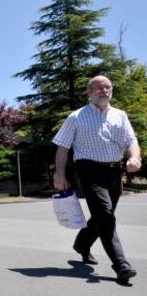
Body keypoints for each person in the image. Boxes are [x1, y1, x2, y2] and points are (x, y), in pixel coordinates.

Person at [52, 75, 142, 283]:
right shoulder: (76, 117)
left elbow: (131, 140)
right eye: (99, 88)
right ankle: (121, 265)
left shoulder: (120, 115)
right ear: (89, 92)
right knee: (105, 215)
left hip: (114, 171)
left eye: (108, 87)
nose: (104, 91)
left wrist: (135, 157)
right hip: (89, 170)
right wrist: (59, 174)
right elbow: (63, 148)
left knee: (103, 215)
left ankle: (82, 244)